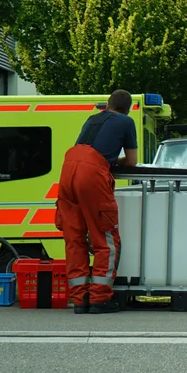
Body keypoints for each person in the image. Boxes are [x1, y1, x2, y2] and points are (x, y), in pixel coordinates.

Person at [56, 89, 139, 314]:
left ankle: (80, 300)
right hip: (91, 174)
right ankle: (99, 300)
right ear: (127, 108)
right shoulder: (126, 121)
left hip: (68, 170)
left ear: (108, 105)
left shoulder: (91, 119)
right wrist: (112, 160)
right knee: (105, 239)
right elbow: (132, 162)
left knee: (74, 240)